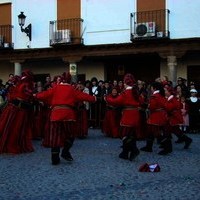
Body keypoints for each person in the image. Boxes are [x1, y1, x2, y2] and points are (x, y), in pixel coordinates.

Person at [34, 72, 96, 165]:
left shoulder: (55, 88)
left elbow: (44, 95)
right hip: (69, 115)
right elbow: (83, 96)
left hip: (55, 115)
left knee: (55, 136)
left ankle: (55, 159)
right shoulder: (72, 89)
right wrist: (94, 99)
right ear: (70, 80)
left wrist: (35, 95)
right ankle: (65, 152)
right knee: (70, 134)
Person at [105, 73, 141, 161]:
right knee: (131, 133)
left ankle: (134, 150)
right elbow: (141, 101)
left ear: (125, 83)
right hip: (135, 114)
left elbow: (116, 101)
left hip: (128, 115)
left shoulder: (126, 93)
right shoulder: (135, 91)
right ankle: (125, 152)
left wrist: (107, 98)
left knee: (125, 134)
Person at [0, 70, 34, 154]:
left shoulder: (19, 85)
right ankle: (11, 145)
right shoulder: (25, 84)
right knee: (15, 128)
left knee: (9, 127)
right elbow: (28, 95)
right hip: (17, 109)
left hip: (13, 108)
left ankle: (8, 144)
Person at [140, 82, 168, 155]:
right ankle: (148, 147)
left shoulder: (155, 96)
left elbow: (152, 107)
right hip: (160, 115)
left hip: (156, 116)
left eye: (151, 87)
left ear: (154, 88)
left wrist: (147, 105)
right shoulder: (161, 95)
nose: (151, 89)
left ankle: (167, 147)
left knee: (156, 133)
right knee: (150, 132)